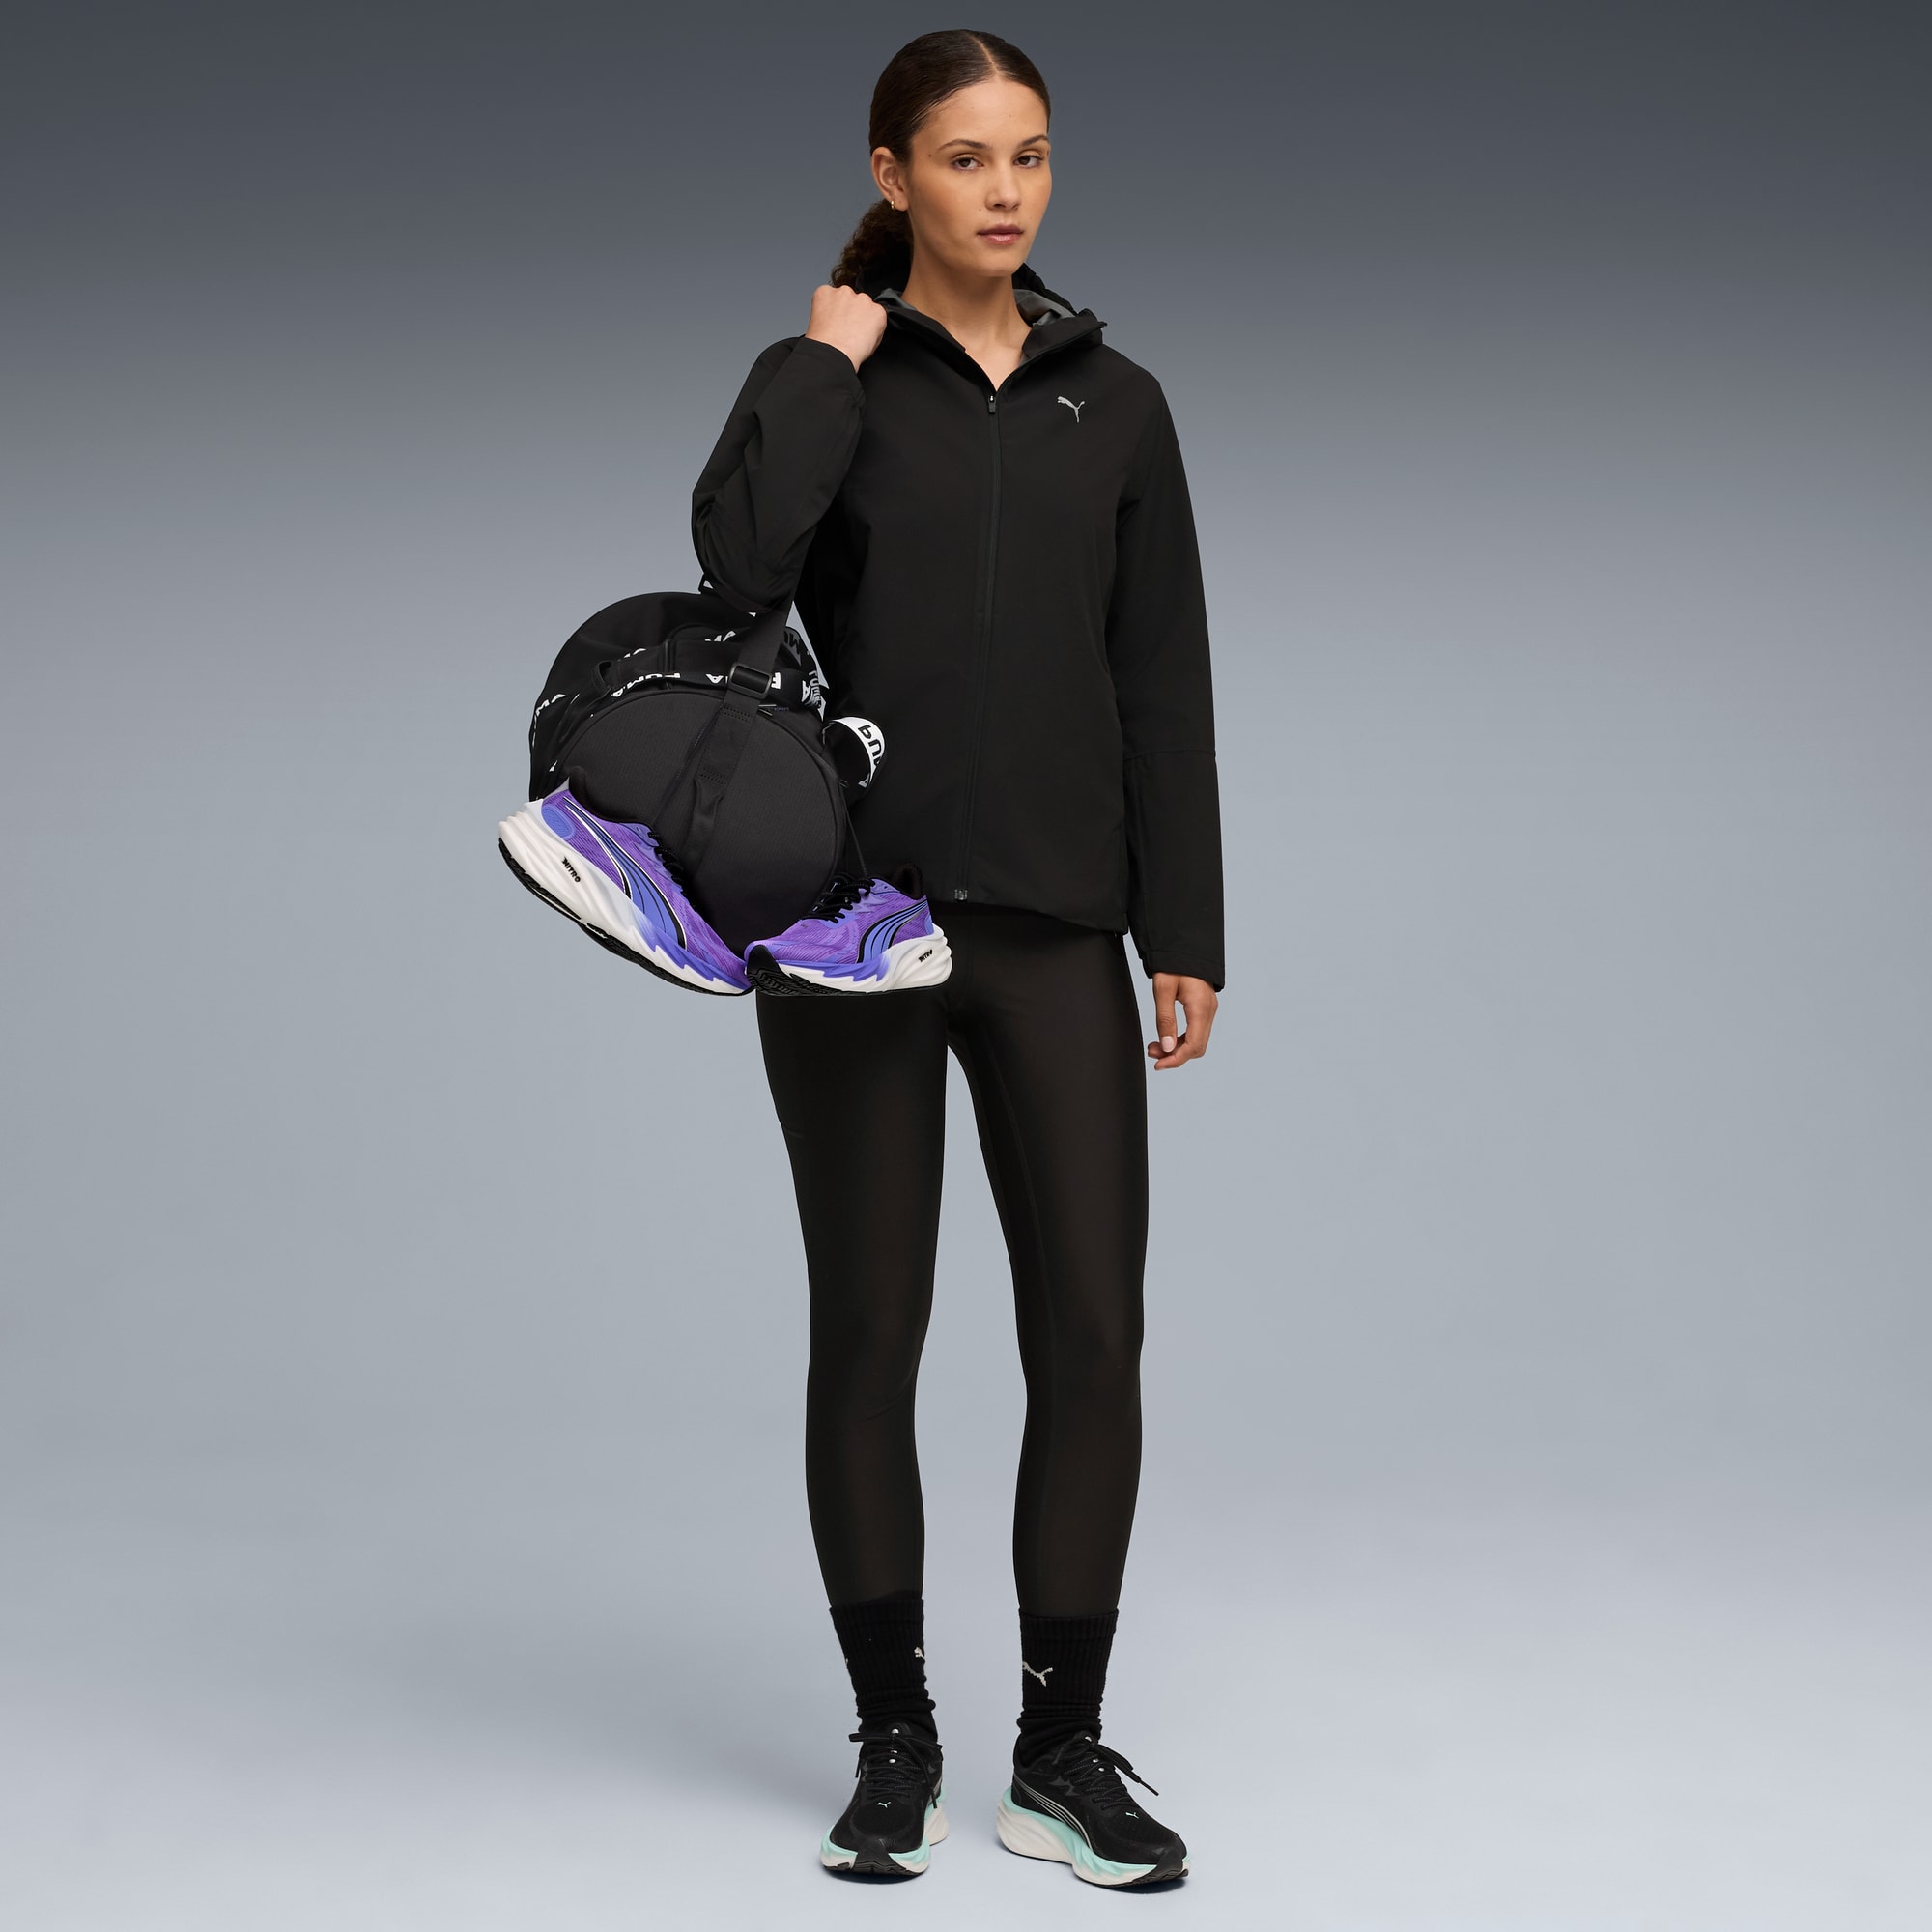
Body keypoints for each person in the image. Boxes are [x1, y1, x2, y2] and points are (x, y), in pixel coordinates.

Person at [690, 29, 1224, 1888]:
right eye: (970, 157)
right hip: (854, 930)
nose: (1007, 191)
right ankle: (894, 1736)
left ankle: (1058, 1755)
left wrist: (1185, 927)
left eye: (1033, 156)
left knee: (1093, 1332)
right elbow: (738, 567)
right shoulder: (833, 382)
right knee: (874, 1326)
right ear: (893, 172)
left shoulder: (1120, 404)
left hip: (1063, 931)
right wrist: (818, 365)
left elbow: (1163, 679)